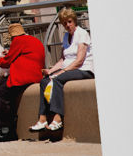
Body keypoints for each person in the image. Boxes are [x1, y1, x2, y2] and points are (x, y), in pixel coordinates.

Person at [31, 8, 95, 141]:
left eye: (69, 22)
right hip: (69, 69)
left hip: (84, 70)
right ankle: (42, 119)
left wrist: (62, 72)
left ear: (74, 21)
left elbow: (79, 61)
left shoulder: (81, 34)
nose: (67, 25)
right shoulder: (66, 36)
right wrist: (51, 71)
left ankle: (58, 118)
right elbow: (62, 60)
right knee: (44, 81)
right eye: (64, 23)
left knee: (58, 80)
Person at [0, 22, 46, 138]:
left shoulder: (18, 41)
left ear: (13, 36)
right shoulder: (31, 39)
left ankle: (4, 127)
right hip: (36, 74)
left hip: (24, 77)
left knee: (1, 92)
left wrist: (0, 60)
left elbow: (6, 61)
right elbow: (21, 53)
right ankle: (0, 122)